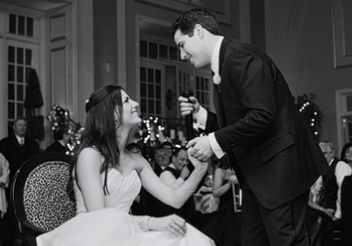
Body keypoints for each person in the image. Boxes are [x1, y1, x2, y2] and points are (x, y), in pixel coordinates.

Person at [170, 8, 328, 245]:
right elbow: (241, 123)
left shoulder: (240, 57)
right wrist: (201, 115)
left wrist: (213, 142)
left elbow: (262, 116)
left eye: (182, 44)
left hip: (279, 172)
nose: (182, 55)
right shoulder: (224, 63)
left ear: (200, 32)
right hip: (257, 176)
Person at [36, 85, 214, 246]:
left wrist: (199, 170)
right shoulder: (90, 156)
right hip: (95, 238)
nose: (136, 103)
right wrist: (151, 222)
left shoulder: (137, 161)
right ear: (112, 113)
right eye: (127, 101)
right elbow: (100, 219)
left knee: (190, 239)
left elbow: (174, 198)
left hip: (128, 234)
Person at [0, 118, 40, 246]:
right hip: (10, 185)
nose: (22, 127)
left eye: (24, 125)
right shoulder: (5, 143)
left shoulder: (33, 144)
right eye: (19, 125)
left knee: (26, 213)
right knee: (10, 216)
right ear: (14, 127)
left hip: (28, 185)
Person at [307, 141, 352, 246]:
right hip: (321, 208)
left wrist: (338, 213)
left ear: (332, 153)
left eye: (324, 153)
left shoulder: (340, 166)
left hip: (336, 210)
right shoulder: (319, 168)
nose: (320, 156)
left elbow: (344, 191)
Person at [211, 155, 241, 246]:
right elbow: (215, 193)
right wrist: (229, 183)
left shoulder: (242, 168)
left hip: (242, 210)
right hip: (227, 212)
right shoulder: (220, 171)